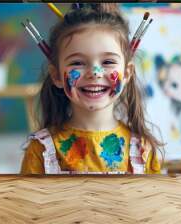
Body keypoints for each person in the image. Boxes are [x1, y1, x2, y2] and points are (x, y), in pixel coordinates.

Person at [20, 3, 163, 175]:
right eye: (77, 63)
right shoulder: (40, 150)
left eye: (108, 62)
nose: (95, 73)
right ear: (57, 75)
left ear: (126, 74)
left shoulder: (143, 150)